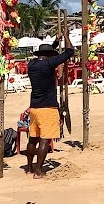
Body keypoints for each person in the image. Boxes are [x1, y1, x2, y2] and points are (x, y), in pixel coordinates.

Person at [24, 27, 75, 178]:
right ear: (49, 56)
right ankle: (39, 171)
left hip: (34, 108)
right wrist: (66, 37)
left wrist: (55, 42)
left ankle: (29, 167)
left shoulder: (32, 65)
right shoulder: (48, 64)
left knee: (32, 139)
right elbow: (69, 52)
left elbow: (47, 53)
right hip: (48, 108)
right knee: (45, 140)